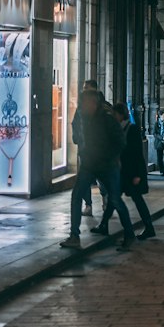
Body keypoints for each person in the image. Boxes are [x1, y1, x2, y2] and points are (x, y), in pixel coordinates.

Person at [63, 89, 135, 249]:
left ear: (94, 103)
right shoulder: (84, 117)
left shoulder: (107, 119)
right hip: (89, 164)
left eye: (85, 103)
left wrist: (107, 157)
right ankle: (74, 235)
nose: (82, 107)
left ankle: (129, 234)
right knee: (77, 196)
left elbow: (120, 142)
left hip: (107, 165)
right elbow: (81, 135)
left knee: (115, 199)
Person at [112, 102, 156, 243]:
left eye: (115, 114)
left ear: (120, 114)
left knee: (135, 200)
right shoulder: (119, 129)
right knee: (115, 199)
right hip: (123, 171)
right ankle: (143, 229)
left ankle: (145, 228)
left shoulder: (132, 129)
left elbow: (137, 153)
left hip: (131, 172)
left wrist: (137, 174)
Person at [71, 79, 99, 215]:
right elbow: (75, 123)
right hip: (85, 151)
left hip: (101, 153)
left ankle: (108, 202)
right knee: (81, 186)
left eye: (86, 88)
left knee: (105, 183)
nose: (83, 90)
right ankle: (88, 205)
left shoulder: (102, 106)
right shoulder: (81, 108)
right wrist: (77, 138)